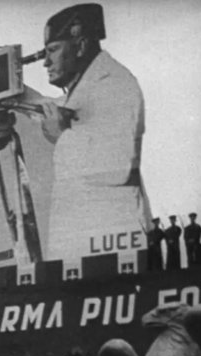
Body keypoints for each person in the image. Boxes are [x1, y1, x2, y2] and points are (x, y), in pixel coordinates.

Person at [33, 3, 151, 261]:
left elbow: (116, 166)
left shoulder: (115, 83)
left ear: (81, 45)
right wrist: (11, 95)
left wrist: (62, 137)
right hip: (87, 239)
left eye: (53, 50)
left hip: (112, 242)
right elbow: (55, 108)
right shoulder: (87, 86)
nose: (45, 62)